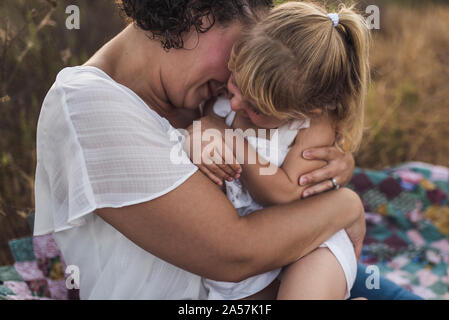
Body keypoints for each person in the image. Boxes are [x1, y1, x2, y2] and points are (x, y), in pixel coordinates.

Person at [33, 0, 418, 300]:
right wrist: (345, 206)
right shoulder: (85, 104)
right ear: (197, 14)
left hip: (308, 269)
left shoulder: (199, 93)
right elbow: (236, 251)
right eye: (239, 53)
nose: (238, 86)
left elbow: (296, 139)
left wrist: (332, 163)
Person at [194, 1, 368, 300]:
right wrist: (203, 125)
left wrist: (230, 138)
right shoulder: (222, 102)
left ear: (305, 110)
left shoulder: (312, 126)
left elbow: (286, 192)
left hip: (313, 242)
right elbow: (197, 126)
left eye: (256, 108)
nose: (236, 105)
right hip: (256, 250)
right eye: (236, 82)